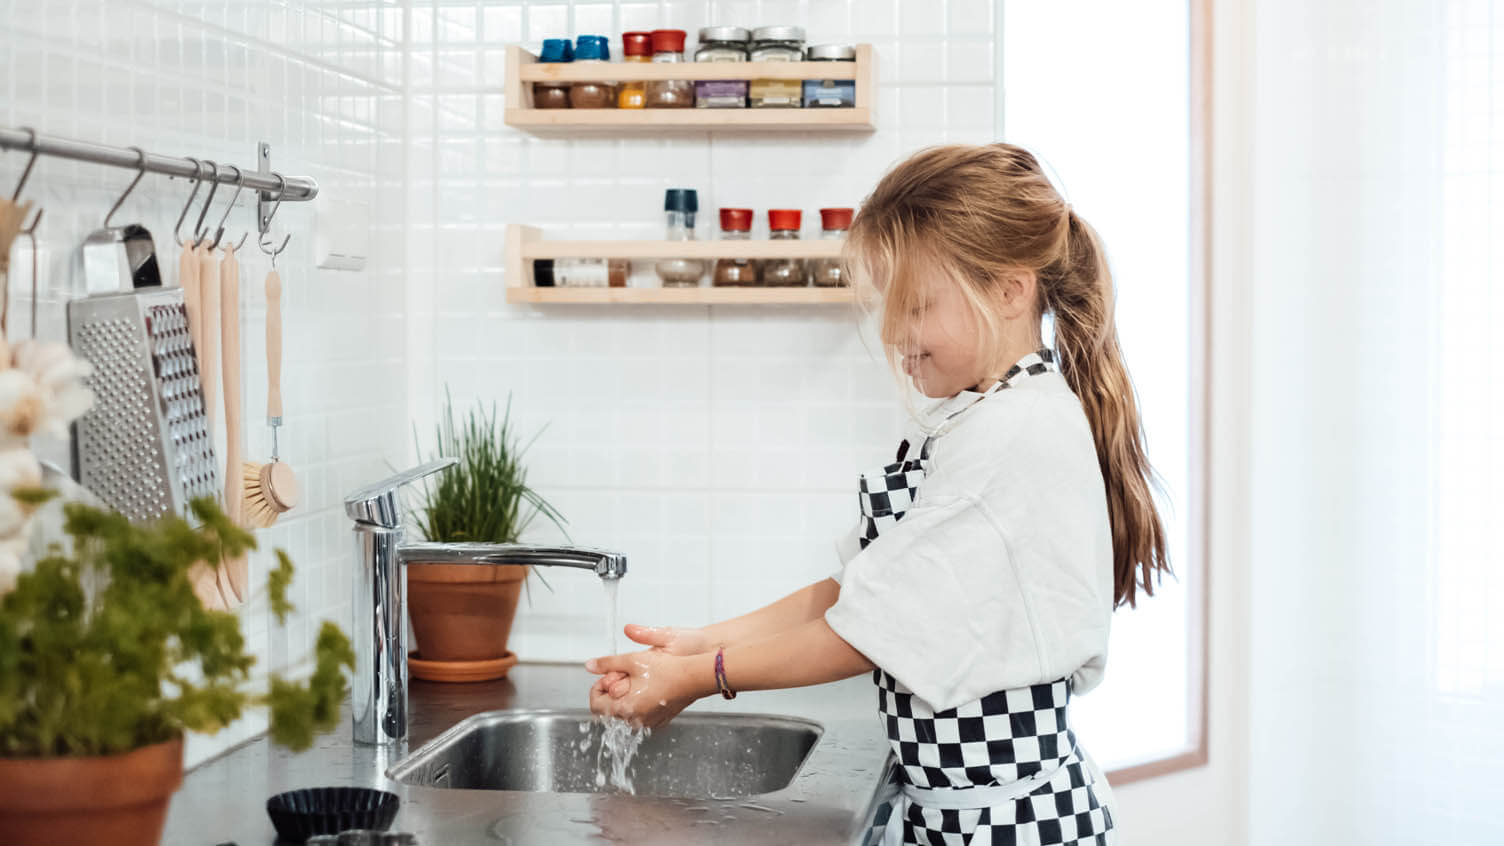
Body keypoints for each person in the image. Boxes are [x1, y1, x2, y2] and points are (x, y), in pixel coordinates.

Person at [586, 143, 1170, 845]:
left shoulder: (1017, 434)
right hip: (967, 816)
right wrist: (701, 643)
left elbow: (864, 634)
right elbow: (861, 591)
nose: (895, 332)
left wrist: (697, 677)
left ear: (1010, 292)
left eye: (917, 305)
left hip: (1012, 826)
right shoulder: (984, 417)